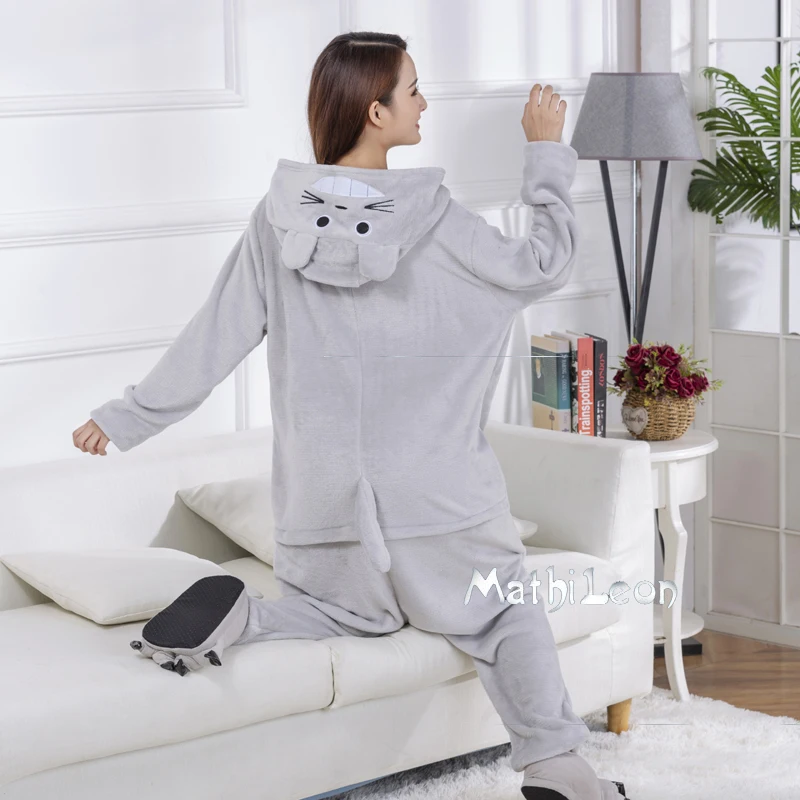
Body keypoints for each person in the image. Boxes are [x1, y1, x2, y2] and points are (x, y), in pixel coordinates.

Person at [72, 31, 628, 800]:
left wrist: (126, 417)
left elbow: (214, 336)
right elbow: (543, 264)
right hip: (437, 505)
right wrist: (544, 154)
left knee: (342, 614)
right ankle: (558, 770)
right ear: (376, 111)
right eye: (414, 90)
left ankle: (247, 620)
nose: (425, 102)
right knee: (505, 612)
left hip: (322, 512)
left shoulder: (277, 221)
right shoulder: (435, 221)